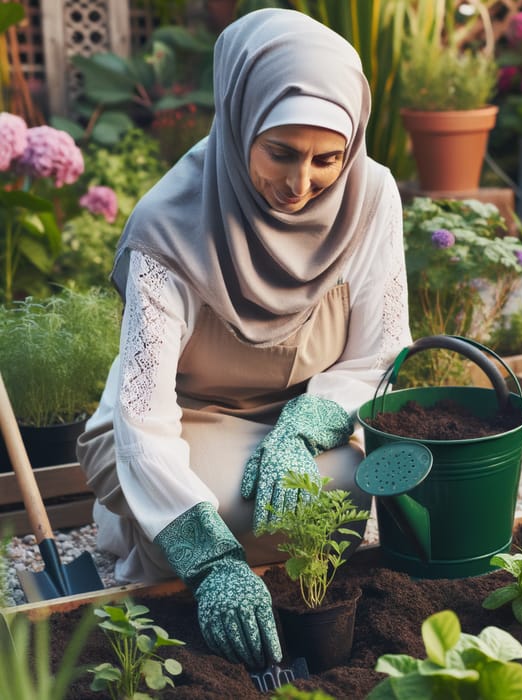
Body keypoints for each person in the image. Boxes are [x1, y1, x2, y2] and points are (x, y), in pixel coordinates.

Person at [77, 8, 411, 671]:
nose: (301, 183)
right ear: (238, 124)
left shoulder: (371, 197)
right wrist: (213, 564)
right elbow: (143, 421)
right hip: (180, 422)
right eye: (281, 152)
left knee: (342, 485)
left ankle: (167, 538)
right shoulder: (167, 229)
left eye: (327, 158)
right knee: (216, 505)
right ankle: (165, 543)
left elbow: (381, 352)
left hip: (291, 419)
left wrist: (301, 430)